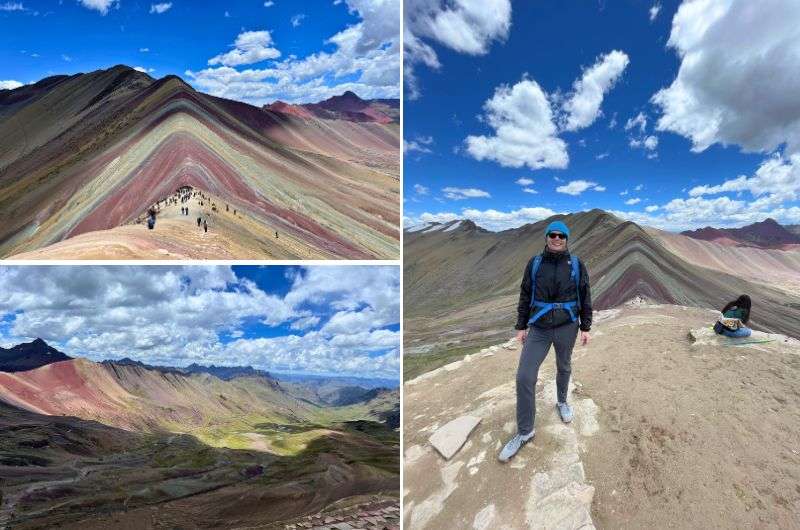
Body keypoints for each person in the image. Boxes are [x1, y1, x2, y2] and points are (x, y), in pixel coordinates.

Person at [499, 220, 592, 463]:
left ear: (567, 239)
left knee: (564, 366)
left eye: (562, 236)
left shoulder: (577, 265)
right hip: (538, 328)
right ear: (547, 237)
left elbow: (585, 295)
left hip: (567, 326)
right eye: (553, 234)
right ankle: (525, 431)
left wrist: (586, 326)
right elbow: (525, 294)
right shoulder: (535, 263)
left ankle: (562, 401)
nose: (557, 239)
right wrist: (520, 326)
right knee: (524, 376)